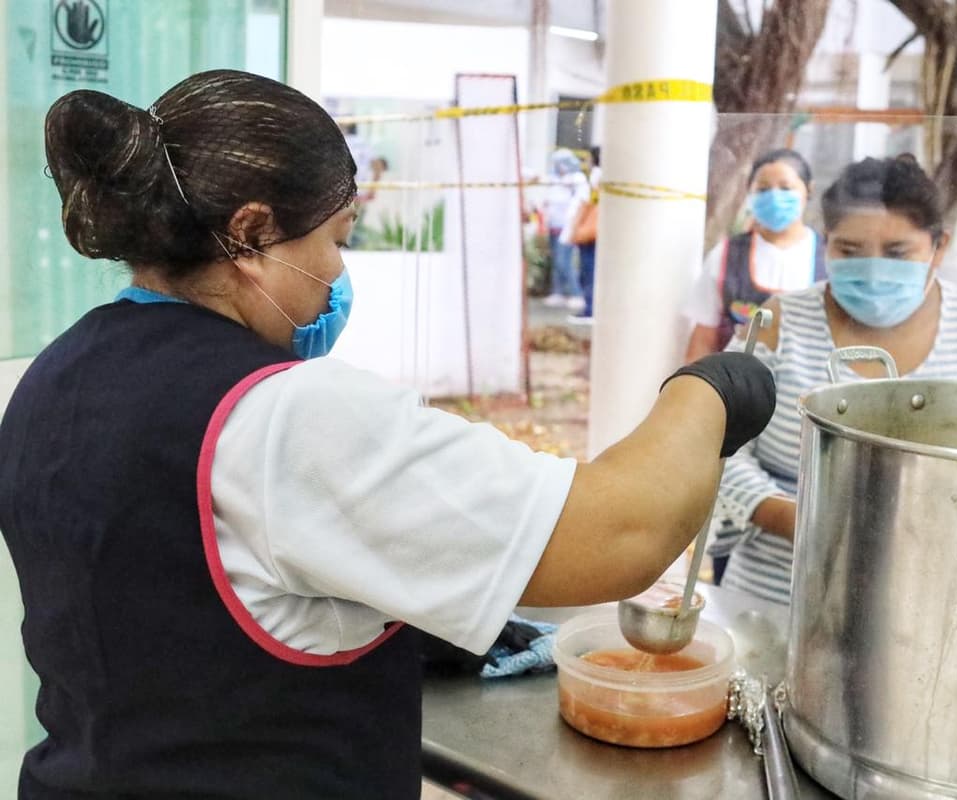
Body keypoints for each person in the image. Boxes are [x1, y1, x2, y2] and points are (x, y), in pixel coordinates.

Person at [0, 70, 776, 799]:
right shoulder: (285, 416)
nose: (339, 270)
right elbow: (624, 531)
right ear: (250, 233)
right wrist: (704, 391)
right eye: (336, 237)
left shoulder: (51, 378)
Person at [709, 155, 957, 606]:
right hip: (778, 595)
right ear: (825, 244)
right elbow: (716, 443)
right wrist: (796, 519)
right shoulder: (778, 322)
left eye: (896, 253)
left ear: (938, 246)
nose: (872, 269)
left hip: (938, 605)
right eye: (849, 251)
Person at [683, 149, 825, 363]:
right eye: (763, 189)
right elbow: (704, 337)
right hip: (736, 386)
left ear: (809, 190)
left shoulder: (828, 259)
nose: (774, 196)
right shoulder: (726, 256)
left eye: (786, 188)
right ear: (749, 193)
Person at [542, 148, 588, 310]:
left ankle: (577, 294)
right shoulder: (553, 179)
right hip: (553, 225)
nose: (559, 167)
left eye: (561, 163)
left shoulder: (577, 179)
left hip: (567, 226)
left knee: (564, 261)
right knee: (556, 261)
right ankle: (557, 292)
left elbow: (582, 200)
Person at [567, 145, 602, 323]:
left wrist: (575, 227)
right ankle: (590, 307)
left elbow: (586, 203)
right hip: (595, 231)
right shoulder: (600, 176)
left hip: (590, 231)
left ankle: (590, 309)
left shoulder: (596, 176)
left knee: (589, 271)